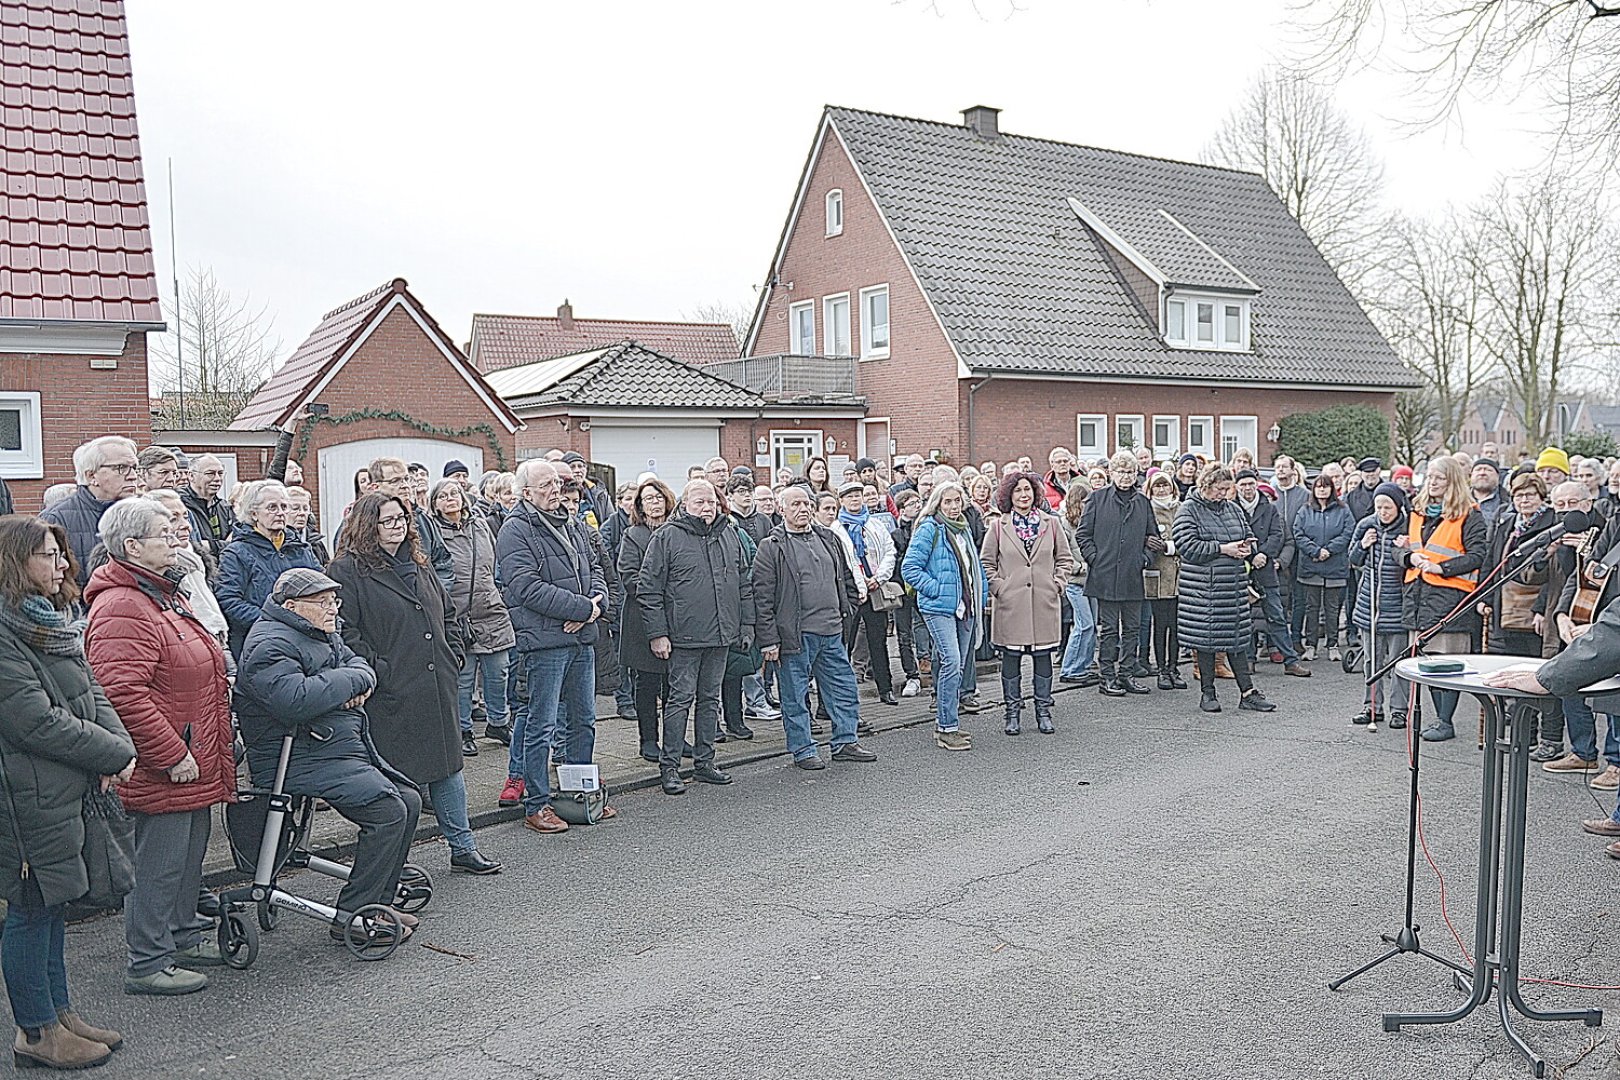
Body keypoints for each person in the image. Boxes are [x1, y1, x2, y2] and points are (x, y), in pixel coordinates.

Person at [85, 499, 235, 996]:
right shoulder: (123, 604)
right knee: (159, 863)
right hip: (167, 763)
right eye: (163, 533)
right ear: (132, 547)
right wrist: (170, 754)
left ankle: (182, 936)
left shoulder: (162, 594)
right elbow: (120, 692)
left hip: (194, 756)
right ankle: (148, 961)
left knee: (188, 857)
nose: (175, 538)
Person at [0, 517, 135, 1068]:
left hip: (61, 788)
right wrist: (110, 753)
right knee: (32, 909)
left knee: (52, 905)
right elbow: (33, 721)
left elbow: (91, 689)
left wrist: (119, 744)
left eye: (61, 554)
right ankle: (35, 1033)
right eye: (48, 555)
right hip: (24, 797)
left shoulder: (49, 622)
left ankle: (60, 1013)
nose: (62, 564)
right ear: (14, 564)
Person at [236, 568, 423, 945]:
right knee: (388, 810)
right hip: (296, 757)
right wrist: (350, 685)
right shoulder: (269, 644)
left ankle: (377, 905)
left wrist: (349, 682)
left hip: (331, 746)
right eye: (322, 602)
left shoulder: (319, 632)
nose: (332, 608)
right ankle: (353, 916)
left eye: (333, 600)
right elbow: (296, 699)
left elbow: (362, 667)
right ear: (292, 607)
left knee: (410, 800)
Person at [328, 494, 500, 876]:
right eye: (388, 521)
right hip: (392, 690)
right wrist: (380, 671)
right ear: (367, 524)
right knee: (396, 779)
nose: (397, 527)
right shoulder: (347, 570)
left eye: (402, 519)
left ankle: (463, 846)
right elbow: (346, 633)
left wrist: (453, 654)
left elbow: (447, 612)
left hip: (436, 682)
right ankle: (396, 859)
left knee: (449, 768)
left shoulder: (418, 563)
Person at [495, 460, 615, 834]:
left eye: (557, 484)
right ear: (525, 492)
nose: (555, 490)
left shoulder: (573, 522)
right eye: (545, 485)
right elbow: (525, 587)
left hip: (581, 637)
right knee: (541, 724)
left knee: (583, 720)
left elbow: (595, 568)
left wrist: (594, 606)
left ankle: (579, 797)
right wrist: (582, 608)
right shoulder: (515, 530)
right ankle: (537, 804)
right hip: (545, 643)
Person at [637, 479, 754, 794]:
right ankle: (670, 767)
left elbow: (744, 583)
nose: (707, 508)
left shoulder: (729, 535)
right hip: (683, 637)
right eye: (700, 502)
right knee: (679, 701)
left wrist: (746, 626)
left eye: (712, 502)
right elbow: (648, 590)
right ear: (684, 504)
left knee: (710, 700)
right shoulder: (666, 538)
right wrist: (658, 634)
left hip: (721, 635)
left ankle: (705, 763)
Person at [753, 486, 879, 767]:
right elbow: (761, 597)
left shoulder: (829, 538)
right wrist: (769, 640)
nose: (802, 509)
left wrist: (847, 609)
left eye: (807, 503)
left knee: (844, 688)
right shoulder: (771, 546)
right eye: (795, 504)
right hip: (795, 636)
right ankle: (803, 750)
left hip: (832, 631)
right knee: (795, 696)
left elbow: (845, 578)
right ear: (781, 509)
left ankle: (846, 741)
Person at [1173, 464, 1276, 713]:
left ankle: (1248, 692)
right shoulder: (1189, 509)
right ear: (1206, 486)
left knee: (1237, 639)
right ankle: (1208, 693)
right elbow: (1186, 545)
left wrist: (1246, 546)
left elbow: (1247, 533)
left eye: (1226, 489)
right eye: (1219, 489)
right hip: (1202, 590)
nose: (1223, 493)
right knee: (1206, 641)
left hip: (1233, 587)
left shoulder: (1233, 509)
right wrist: (1222, 548)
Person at [1400, 456, 1487, 742]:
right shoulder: (1417, 511)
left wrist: (1443, 568)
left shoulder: (1470, 514)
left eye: (1440, 478)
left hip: (1450, 597)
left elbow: (1477, 556)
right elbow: (1401, 547)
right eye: (1430, 477)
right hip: (1418, 595)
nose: (1433, 482)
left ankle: (1444, 720)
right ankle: (1438, 718)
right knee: (1426, 662)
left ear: (1453, 481)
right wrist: (1408, 557)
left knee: (1447, 663)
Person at [1476, 473, 1562, 756]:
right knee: (1513, 674)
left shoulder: (1552, 524)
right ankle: (1523, 737)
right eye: (1518, 495)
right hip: (1507, 607)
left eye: (1530, 495)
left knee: (1542, 676)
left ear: (1541, 497)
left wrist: (1540, 610)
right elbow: (1492, 561)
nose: (1524, 500)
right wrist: (1484, 597)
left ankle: (1549, 739)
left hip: (1537, 611)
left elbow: (1554, 575)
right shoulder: (1507, 524)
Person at [982, 471, 1073, 736]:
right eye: (1018, 491)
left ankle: (1043, 711)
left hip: (1043, 601)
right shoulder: (999, 526)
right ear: (1009, 495)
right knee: (1011, 659)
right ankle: (1012, 713)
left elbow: (1064, 558)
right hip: (1011, 603)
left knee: (1043, 657)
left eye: (1028, 490)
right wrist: (999, 587)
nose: (1024, 495)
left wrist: (1057, 583)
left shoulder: (1051, 524)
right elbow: (986, 562)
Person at [901, 481, 988, 750]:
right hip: (939, 607)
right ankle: (946, 726)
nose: (953, 506)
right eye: (947, 501)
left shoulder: (962, 529)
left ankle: (947, 720)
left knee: (957, 664)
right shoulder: (929, 528)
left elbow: (975, 568)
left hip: (965, 607)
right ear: (938, 503)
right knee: (951, 661)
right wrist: (936, 590)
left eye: (957, 501)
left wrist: (981, 596)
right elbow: (910, 568)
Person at [432, 479, 514, 756]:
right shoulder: (434, 532)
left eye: (454, 493)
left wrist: (498, 590)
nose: (450, 499)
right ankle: (464, 729)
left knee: (499, 671)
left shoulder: (480, 524)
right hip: (458, 614)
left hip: (490, 609)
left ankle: (498, 722)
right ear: (435, 504)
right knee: (463, 678)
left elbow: (497, 561)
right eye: (442, 496)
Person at [1077, 451, 1155, 696]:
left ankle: (1127, 674)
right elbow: (1083, 534)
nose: (1125, 476)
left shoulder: (1142, 502)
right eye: (1120, 471)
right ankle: (1107, 676)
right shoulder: (1097, 499)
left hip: (1132, 575)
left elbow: (1152, 538)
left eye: (1130, 472)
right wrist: (1095, 559)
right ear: (1112, 473)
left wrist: (1144, 559)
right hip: (1105, 575)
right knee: (1110, 629)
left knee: (1133, 628)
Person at [217, 480, 322, 657]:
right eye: (272, 507)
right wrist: (274, 620)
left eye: (284, 507)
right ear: (254, 513)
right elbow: (228, 601)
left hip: (306, 640)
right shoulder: (237, 552)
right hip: (260, 644)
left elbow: (322, 587)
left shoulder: (301, 548)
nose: (280, 513)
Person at [618, 478, 677, 764]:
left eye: (658, 497)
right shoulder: (634, 535)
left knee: (675, 684)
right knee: (648, 683)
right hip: (642, 619)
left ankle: (674, 738)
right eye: (648, 499)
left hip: (676, 617)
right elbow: (629, 576)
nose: (654, 503)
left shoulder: (678, 532)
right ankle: (648, 739)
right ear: (640, 506)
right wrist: (657, 588)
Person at [1349, 483, 1412, 728]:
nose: (1383, 512)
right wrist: (1362, 545)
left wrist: (1407, 548)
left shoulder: (1408, 527)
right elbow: (1352, 560)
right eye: (1379, 507)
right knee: (1371, 661)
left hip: (1397, 605)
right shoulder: (1366, 525)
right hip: (1369, 605)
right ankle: (1372, 706)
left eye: (1388, 507)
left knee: (1398, 661)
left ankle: (1399, 710)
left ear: (1398, 507)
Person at [1236, 469, 1309, 677]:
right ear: (1237, 487)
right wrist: (1252, 556)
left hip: (1266, 570)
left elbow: (1277, 535)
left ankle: (1290, 661)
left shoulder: (1269, 509)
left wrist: (1263, 555)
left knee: (1276, 616)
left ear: (1256, 484)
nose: (1247, 488)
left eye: (1251, 484)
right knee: (1245, 617)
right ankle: (1248, 660)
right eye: (1243, 485)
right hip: (1243, 570)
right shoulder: (1232, 508)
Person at [834, 479, 899, 706]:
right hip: (850, 593)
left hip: (875, 589)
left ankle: (885, 688)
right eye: (849, 496)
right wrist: (858, 582)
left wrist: (878, 578)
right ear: (841, 501)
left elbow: (890, 551)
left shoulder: (875, 524)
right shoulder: (835, 528)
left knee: (878, 641)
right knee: (846, 643)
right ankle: (841, 693)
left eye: (857, 495)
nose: (854, 499)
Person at [40, 435, 140, 584]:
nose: (133, 476)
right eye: (121, 468)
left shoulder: (144, 514)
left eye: (134, 468)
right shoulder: (55, 519)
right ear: (91, 475)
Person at [144, 489, 229, 651]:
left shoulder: (196, 560)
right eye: (173, 519)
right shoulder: (158, 571)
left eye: (186, 516)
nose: (186, 526)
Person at [368, 458, 453, 594]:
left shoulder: (422, 519)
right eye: (395, 481)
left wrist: (437, 595)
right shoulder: (359, 524)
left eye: (406, 479)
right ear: (375, 487)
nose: (405, 485)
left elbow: (442, 561)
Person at [1294, 473, 1355, 663]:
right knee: (1311, 607)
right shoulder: (1304, 510)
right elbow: (1298, 533)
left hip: (1335, 566)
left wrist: (1329, 550)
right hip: (1311, 566)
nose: (1322, 489)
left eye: (1325, 486)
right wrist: (1315, 551)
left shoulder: (1343, 510)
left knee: (1332, 608)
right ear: (1313, 489)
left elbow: (1348, 532)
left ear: (1332, 489)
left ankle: (1333, 645)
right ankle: (1311, 645)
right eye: (1318, 486)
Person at [1143, 472, 1185, 690]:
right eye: (1157, 486)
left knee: (1177, 625)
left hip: (1179, 574)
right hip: (1157, 574)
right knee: (1160, 625)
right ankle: (1161, 668)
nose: (1161, 490)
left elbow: (1188, 539)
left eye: (1165, 485)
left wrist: (1169, 547)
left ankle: (1173, 667)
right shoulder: (1146, 509)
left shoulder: (1181, 508)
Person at [890, 489, 930, 698]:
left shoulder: (926, 527)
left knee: (928, 627)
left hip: (923, 586)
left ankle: (928, 664)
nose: (917, 506)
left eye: (918, 502)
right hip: (902, 589)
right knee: (904, 633)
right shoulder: (896, 533)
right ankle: (911, 675)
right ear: (902, 507)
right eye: (912, 503)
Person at [1058, 487, 1099, 687]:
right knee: (1084, 625)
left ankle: (1084, 666)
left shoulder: (1092, 522)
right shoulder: (1064, 524)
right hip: (1075, 582)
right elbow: (1061, 556)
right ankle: (1070, 668)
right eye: (1084, 501)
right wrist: (1081, 567)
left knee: (1092, 627)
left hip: (1092, 581)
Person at [180, 454, 235, 562]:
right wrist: (224, 545)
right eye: (210, 474)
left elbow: (239, 544)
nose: (217, 479)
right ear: (191, 476)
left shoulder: (225, 507)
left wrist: (211, 545)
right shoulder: (181, 506)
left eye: (220, 473)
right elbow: (190, 546)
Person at [284, 484, 330, 566]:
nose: (302, 513)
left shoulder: (316, 543)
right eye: (295, 508)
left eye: (305, 509)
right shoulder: (277, 543)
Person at [1471, 457, 1506, 534]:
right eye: (1478, 469)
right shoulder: (1459, 500)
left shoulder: (1508, 502)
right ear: (1471, 475)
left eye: (1488, 470)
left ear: (1498, 476)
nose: (1482, 473)